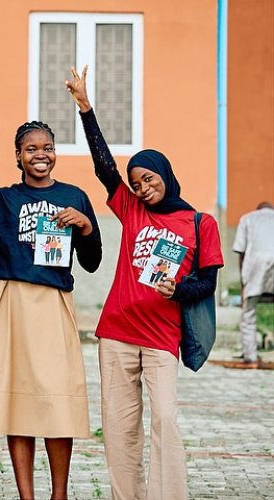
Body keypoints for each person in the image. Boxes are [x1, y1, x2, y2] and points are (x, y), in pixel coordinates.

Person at [66, 65, 224, 499]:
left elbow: (207, 281)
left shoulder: (198, 222)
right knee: (120, 431)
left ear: (165, 176)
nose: (142, 188)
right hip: (117, 333)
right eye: (136, 183)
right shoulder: (133, 211)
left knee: (165, 421)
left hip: (160, 338)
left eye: (149, 179)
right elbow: (104, 169)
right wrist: (86, 108)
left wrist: (180, 289)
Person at [0, 117, 102, 500]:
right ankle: (26, 495)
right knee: (18, 400)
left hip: (52, 302)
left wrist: (85, 226)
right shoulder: (4, 197)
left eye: (47, 148)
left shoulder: (75, 196)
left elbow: (92, 261)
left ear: (55, 154)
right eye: (31, 149)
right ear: (18, 156)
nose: (40, 154)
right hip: (9, 300)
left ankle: (60, 494)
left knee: (57, 398)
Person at [232, 201, 274, 366]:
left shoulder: (247, 219)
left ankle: (251, 356)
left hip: (255, 265)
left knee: (248, 311)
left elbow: (241, 251)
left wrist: (244, 283)